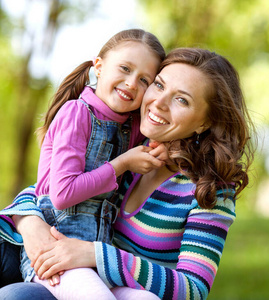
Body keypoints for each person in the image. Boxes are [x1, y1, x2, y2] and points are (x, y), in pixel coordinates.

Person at [0, 47, 254, 300]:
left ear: (205, 122)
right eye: (158, 85)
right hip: (69, 275)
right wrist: (29, 223)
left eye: (181, 100)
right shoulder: (129, 148)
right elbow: (48, 188)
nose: (159, 102)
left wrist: (95, 255)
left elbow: (193, 290)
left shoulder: (210, 189)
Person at [1, 28, 168, 299]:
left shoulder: (130, 127)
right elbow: (63, 194)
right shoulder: (76, 114)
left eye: (144, 80)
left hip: (97, 259)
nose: (131, 83)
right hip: (56, 255)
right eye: (124, 68)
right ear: (99, 67)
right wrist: (121, 164)